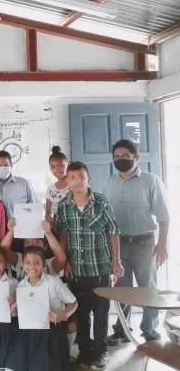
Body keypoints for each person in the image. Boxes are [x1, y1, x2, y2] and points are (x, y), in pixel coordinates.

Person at [57, 161, 123, 370]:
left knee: (101, 313)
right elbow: (64, 236)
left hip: (101, 267)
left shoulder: (101, 202)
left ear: (89, 179)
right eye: (72, 177)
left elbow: (113, 231)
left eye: (81, 177)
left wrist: (116, 260)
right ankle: (85, 352)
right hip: (77, 269)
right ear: (67, 181)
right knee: (82, 313)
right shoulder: (64, 205)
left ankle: (101, 352)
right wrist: (66, 261)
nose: (77, 181)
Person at [104, 139, 170, 344]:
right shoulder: (109, 182)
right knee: (122, 290)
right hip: (118, 244)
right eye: (116, 157)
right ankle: (122, 329)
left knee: (147, 289)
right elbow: (106, 216)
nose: (120, 160)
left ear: (136, 158)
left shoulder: (151, 181)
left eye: (125, 156)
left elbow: (163, 216)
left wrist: (162, 244)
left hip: (145, 244)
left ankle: (149, 331)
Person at [5, 246, 77, 371]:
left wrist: (64, 315)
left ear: (44, 265)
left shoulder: (54, 282)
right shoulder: (21, 285)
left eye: (37, 262)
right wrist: (15, 312)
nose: (32, 267)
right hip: (28, 331)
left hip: (50, 331)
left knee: (45, 365)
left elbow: (74, 303)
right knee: (14, 365)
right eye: (28, 262)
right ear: (23, 264)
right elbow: (23, 310)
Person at [2, 218, 66, 280]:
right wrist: (11, 231)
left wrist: (48, 233)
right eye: (27, 242)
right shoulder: (19, 260)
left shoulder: (50, 264)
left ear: (45, 246)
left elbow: (61, 259)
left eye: (36, 242)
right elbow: (3, 250)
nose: (31, 245)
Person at [0, 150, 38, 218]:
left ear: (11, 165)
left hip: (20, 226)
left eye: (6, 165)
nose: (3, 168)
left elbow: (34, 208)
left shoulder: (24, 183)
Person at [45, 146, 69, 231]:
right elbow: (48, 212)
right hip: (57, 231)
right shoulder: (50, 189)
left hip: (74, 229)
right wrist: (50, 220)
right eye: (53, 167)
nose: (57, 170)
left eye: (61, 165)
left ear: (68, 164)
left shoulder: (75, 186)